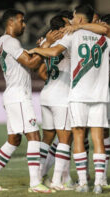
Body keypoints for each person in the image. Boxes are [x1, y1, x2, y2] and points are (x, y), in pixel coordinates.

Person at [28, 4, 110, 194]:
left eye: (74, 17)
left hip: (78, 96)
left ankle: (83, 183)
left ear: (80, 19)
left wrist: (36, 50)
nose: (72, 21)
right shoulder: (104, 37)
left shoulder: (73, 34)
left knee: (79, 137)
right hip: (100, 96)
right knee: (98, 138)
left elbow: (54, 52)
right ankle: (99, 183)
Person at [0, 8, 59, 193]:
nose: (24, 25)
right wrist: (47, 44)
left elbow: (30, 63)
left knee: (14, 140)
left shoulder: (5, 42)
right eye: (21, 21)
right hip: (18, 96)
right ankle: (35, 184)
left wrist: (41, 48)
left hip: (13, 95)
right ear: (11, 22)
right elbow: (32, 63)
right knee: (34, 136)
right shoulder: (10, 41)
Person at [37, 14, 74, 191]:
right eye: (70, 21)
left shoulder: (45, 40)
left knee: (47, 138)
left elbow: (41, 71)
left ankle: (38, 175)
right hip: (61, 96)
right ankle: (58, 181)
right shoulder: (68, 39)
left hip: (46, 93)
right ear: (64, 25)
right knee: (65, 140)